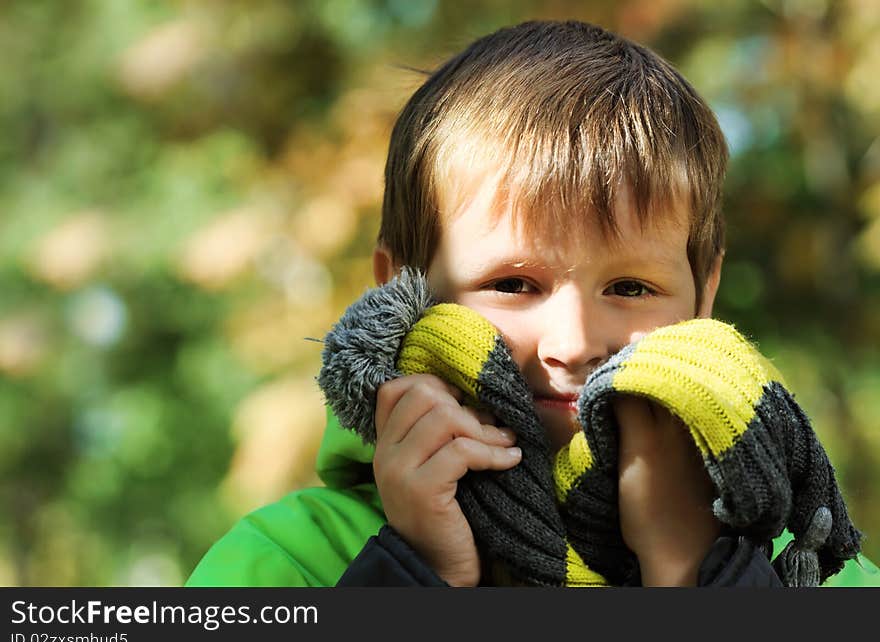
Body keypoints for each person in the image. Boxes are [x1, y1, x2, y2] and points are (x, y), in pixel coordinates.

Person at [186, 20, 878, 587]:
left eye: (631, 288)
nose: (573, 343)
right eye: (514, 284)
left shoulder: (816, 573)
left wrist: (689, 573)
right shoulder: (289, 565)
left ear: (706, 295)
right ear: (400, 289)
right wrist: (418, 575)